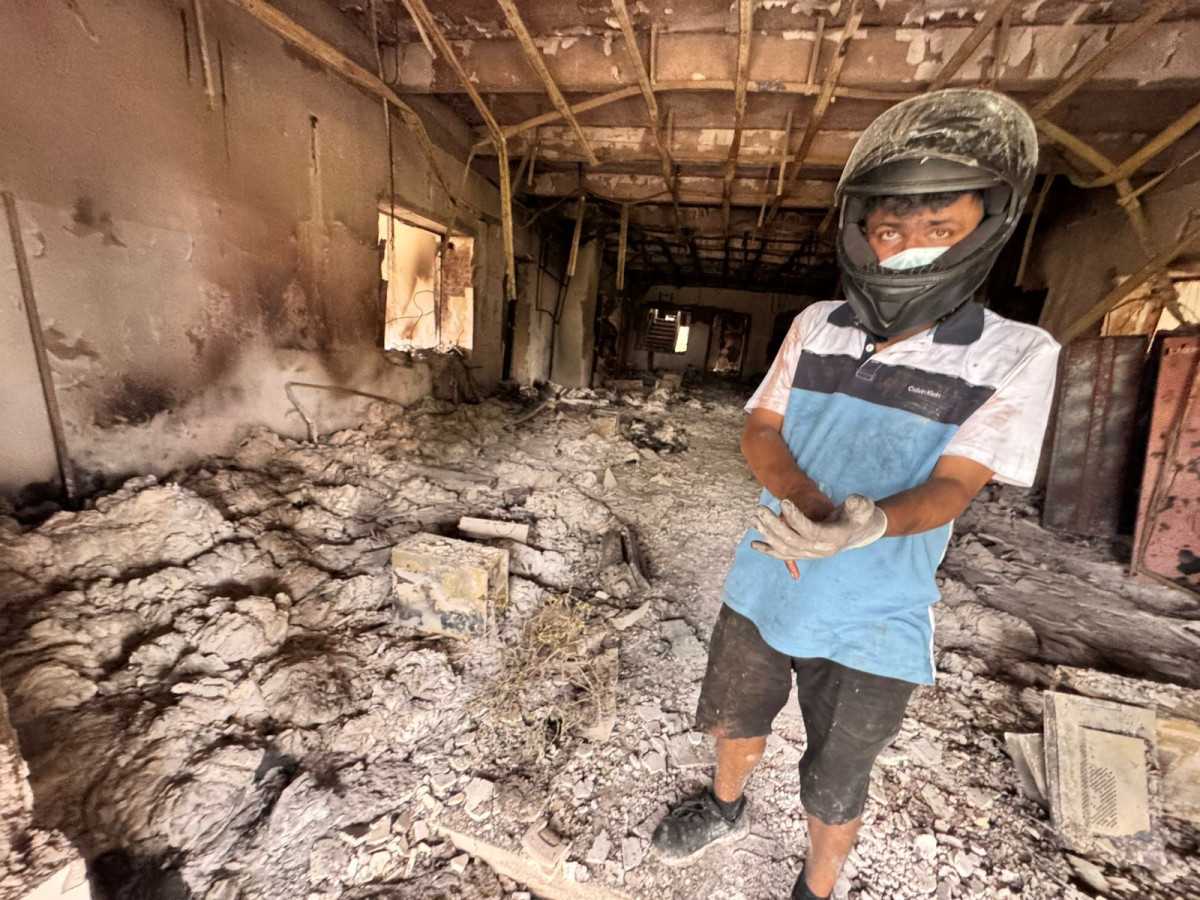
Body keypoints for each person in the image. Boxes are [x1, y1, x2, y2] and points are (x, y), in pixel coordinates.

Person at [650, 89, 1061, 900]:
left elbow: (954, 485)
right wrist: (808, 505)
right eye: (890, 229)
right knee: (734, 716)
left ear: (987, 227)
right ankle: (725, 807)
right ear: (861, 232)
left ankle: (816, 887)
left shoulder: (1014, 353)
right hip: (768, 574)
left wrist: (863, 528)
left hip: (876, 611)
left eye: (939, 227)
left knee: (839, 775)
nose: (908, 248)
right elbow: (760, 431)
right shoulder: (817, 324)